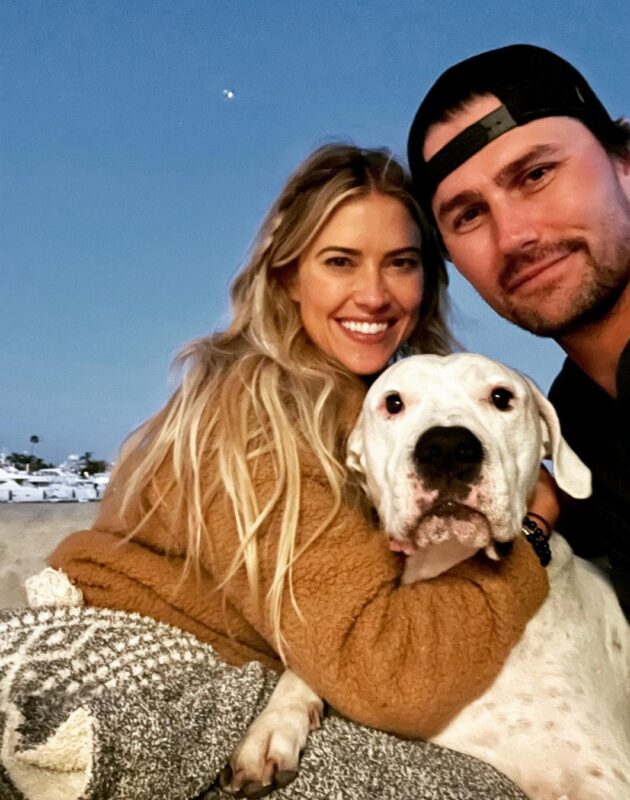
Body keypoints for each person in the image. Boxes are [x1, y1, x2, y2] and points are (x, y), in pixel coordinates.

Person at [49, 144, 550, 745]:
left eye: (400, 263)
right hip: (122, 680)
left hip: (257, 662)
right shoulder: (250, 419)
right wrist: (533, 532)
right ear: (287, 276)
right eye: (340, 262)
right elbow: (389, 680)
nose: (373, 295)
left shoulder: (377, 406)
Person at [407, 44, 630, 627]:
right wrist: (532, 522)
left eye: (536, 175)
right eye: (469, 214)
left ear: (626, 162)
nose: (513, 236)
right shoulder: (572, 430)